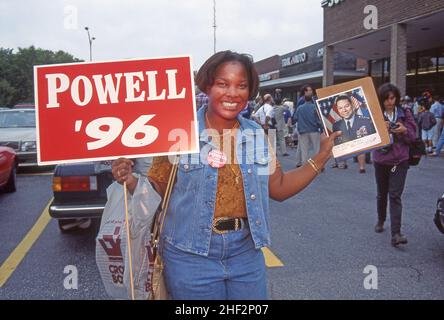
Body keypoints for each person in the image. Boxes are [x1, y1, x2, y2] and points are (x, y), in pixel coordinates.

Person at [111, 50, 340, 300]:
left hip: (245, 255)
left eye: (241, 86)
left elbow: (280, 187)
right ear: (208, 86)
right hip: (190, 257)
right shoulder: (180, 133)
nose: (233, 93)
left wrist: (321, 156)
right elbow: (156, 191)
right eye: (223, 84)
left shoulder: (256, 135)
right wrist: (130, 180)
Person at [373, 83, 417, 247]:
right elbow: (366, 136)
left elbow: (413, 136)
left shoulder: (405, 113)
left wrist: (404, 130)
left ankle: (396, 233)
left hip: (400, 160)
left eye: (393, 98)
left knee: (395, 195)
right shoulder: (375, 114)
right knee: (381, 193)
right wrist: (380, 129)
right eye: (386, 99)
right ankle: (381, 219)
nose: (390, 102)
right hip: (381, 160)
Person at [293, 85, 322, 165]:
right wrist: (321, 128)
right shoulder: (314, 107)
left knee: (304, 149)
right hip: (313, 130)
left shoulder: (299, 107)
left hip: (303, 130)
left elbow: (295, 118)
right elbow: (318, 120)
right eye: (309, 90)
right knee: (316, 149)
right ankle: (318, 164)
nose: (311, 91)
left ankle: (304, 165)